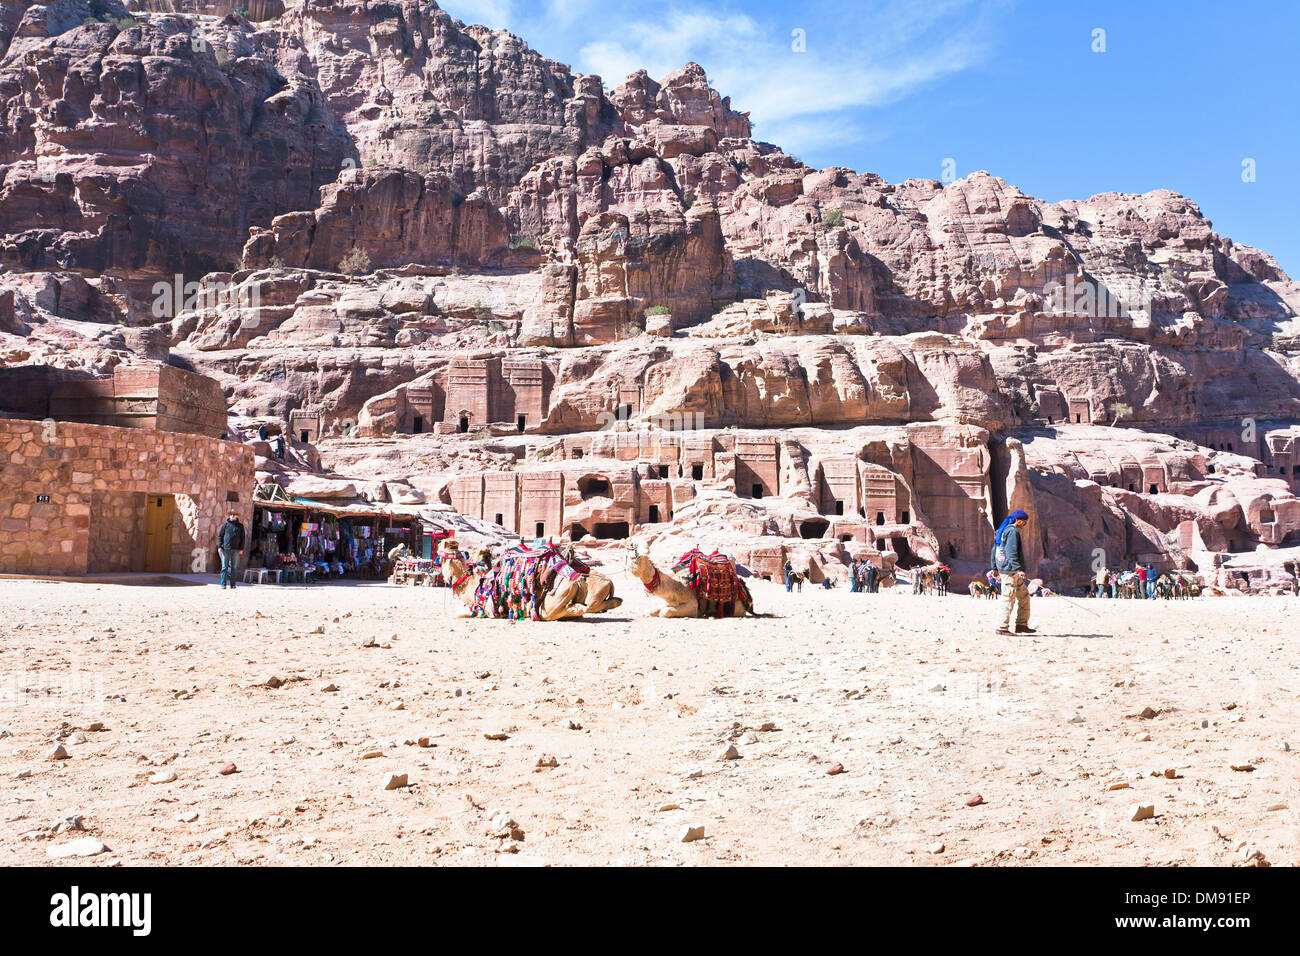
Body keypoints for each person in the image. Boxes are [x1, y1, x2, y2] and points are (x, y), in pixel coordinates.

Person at [991, 509, 1034, 636]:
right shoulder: (1013, 531)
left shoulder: (1002, 531)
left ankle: (1021, 625)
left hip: (1008, 570)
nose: (1025, 525)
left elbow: (995, 549)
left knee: (1024, 596)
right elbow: (1011, 551)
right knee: (1008, 598)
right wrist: (1018, 569)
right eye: (1024, 522)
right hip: (1010, 571)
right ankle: (1002, 628)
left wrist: (994, 567)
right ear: (1018, 520)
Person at [217, 509, 245, 589]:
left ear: (237, 516)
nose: (232, 515)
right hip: (226, 549)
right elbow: (220, 536)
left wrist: (241, 548)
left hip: (236, 550)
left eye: (234, 514)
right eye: (231, 514)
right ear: (229, 515)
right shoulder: (225, 525)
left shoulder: (240, 526)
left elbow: (243, 538)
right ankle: (223, 584)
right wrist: (219, 546)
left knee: (234, 567)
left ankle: (233, 584)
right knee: (224, 567)